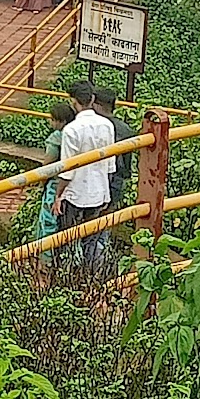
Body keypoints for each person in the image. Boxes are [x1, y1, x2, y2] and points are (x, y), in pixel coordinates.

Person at [52, 81, 116, 268]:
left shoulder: (71, 130)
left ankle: (62, 273)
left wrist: (58, 195)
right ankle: (90, 275)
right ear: (93, 99)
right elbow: (110, 165)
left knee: (64, 237)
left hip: (74, 192)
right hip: (99, 190)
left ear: (74, 103)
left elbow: (67, 170)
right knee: (92, 238)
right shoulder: (106, 125)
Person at [36, 100, 76, 251]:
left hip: (55, 185)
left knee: (48, 221)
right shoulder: (75, 134)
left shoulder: (56, 138)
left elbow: (48, 165)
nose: (49, 122)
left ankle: (46, 257)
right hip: (74, 184)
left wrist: (40, 183)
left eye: (52, 119)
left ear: (62, 121)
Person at [93, 87, 135, 211]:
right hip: (116, 180)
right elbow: (127, 162)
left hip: (95, 180)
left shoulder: (95, 127)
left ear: (97, 106)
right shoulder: (125, 129)